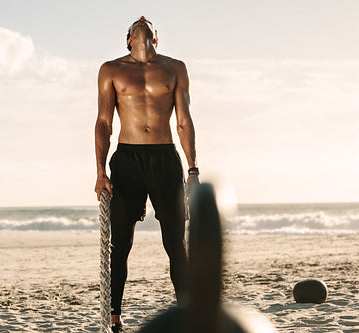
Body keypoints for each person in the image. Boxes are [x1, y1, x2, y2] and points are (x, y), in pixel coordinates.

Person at [94, 16, 199, 332]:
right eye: (135, 24)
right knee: (120, 244)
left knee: (175, 244)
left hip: (165, 159)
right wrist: (100, 171)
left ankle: (187, 314)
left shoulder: (174, 67)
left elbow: (184, 120)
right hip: (127, 160)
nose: (141, 19)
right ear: (128, 40)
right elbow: (103, 122)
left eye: (148, 22)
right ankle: (114, 315)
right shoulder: (111, 70)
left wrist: (193, 169)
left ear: (156, 37)